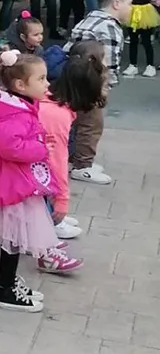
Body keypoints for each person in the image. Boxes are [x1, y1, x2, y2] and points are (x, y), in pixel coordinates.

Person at [0, 51, 57, 312]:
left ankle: (8, 281)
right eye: (41, 79)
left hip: (12, 181)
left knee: (13, 238)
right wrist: (41, 149)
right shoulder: (13, 113)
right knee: (13, 238)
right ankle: (5, 289)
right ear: (20, 85)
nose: (47, 84)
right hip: (9, 184)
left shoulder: (13, 106)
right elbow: (11, 147)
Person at [37, 43, 106, 273]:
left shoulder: (50, 100)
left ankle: (41, 242)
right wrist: (62, 199)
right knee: (39, 209)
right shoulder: (57, 115)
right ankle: (45, 253)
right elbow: (56, 159)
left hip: (29, 168)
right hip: (32, 172)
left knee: (36, 210)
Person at [64, 0, 132, 184]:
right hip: (90, 83)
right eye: (129, 3)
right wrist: (103, 89)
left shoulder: (89, 19)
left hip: (73, 78)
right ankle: (83, 166)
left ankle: (76, 158)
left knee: (78, 122)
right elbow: (107, 64)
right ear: (117, 4)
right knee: (92, 124)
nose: (131, 9)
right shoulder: (110, 27)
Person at [0, 12, 45, 82]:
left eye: (41, 33)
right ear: (23, 37)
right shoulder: (9, 51)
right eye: (36, 35)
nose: (40, 37)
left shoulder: (39, 49)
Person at [125, 0, 159, 77]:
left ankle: (150, 66)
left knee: (146, 41)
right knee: (133, 40)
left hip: (145, 12)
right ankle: (132, 65)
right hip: (133, 11)